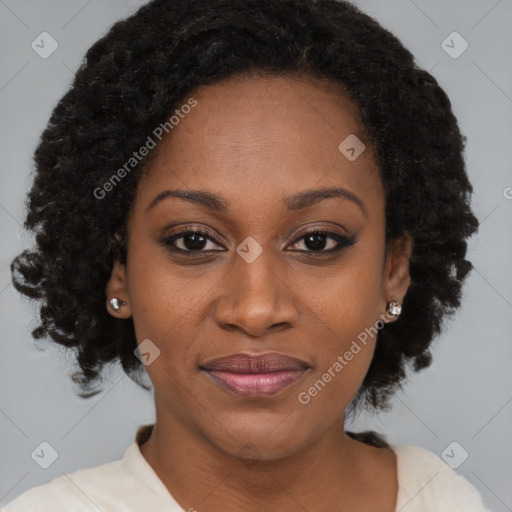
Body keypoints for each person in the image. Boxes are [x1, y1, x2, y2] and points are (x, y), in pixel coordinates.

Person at [5, 0, 492, 510]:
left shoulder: (445, 498)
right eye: (193, 241)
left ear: (394, 271)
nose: (256, 310)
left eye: (316, 241)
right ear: (118, 272)